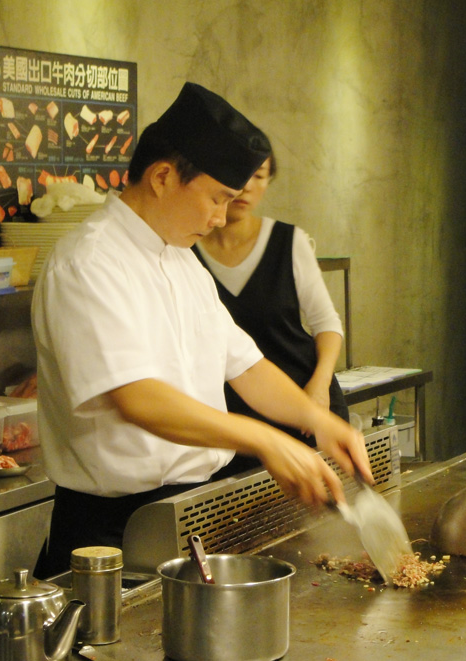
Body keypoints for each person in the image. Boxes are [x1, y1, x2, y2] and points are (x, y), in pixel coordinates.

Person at [32, 82, 372, 577]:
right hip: (111, 535)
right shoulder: (89, 261)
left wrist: (318, 421)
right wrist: (264, 439)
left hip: (188, 514)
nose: (219, 219)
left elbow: (246, 366)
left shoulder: (182, 260)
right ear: (163, 177)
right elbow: (139, 398)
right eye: (216, 199)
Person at [194, 151, 349, 451]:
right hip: (233, 416)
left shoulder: (288, 241)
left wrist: (319, 385)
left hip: (302, 402)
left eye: (259, 176)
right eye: (241, 173)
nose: (246, 186)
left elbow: (326, 322)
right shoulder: (185, 250)